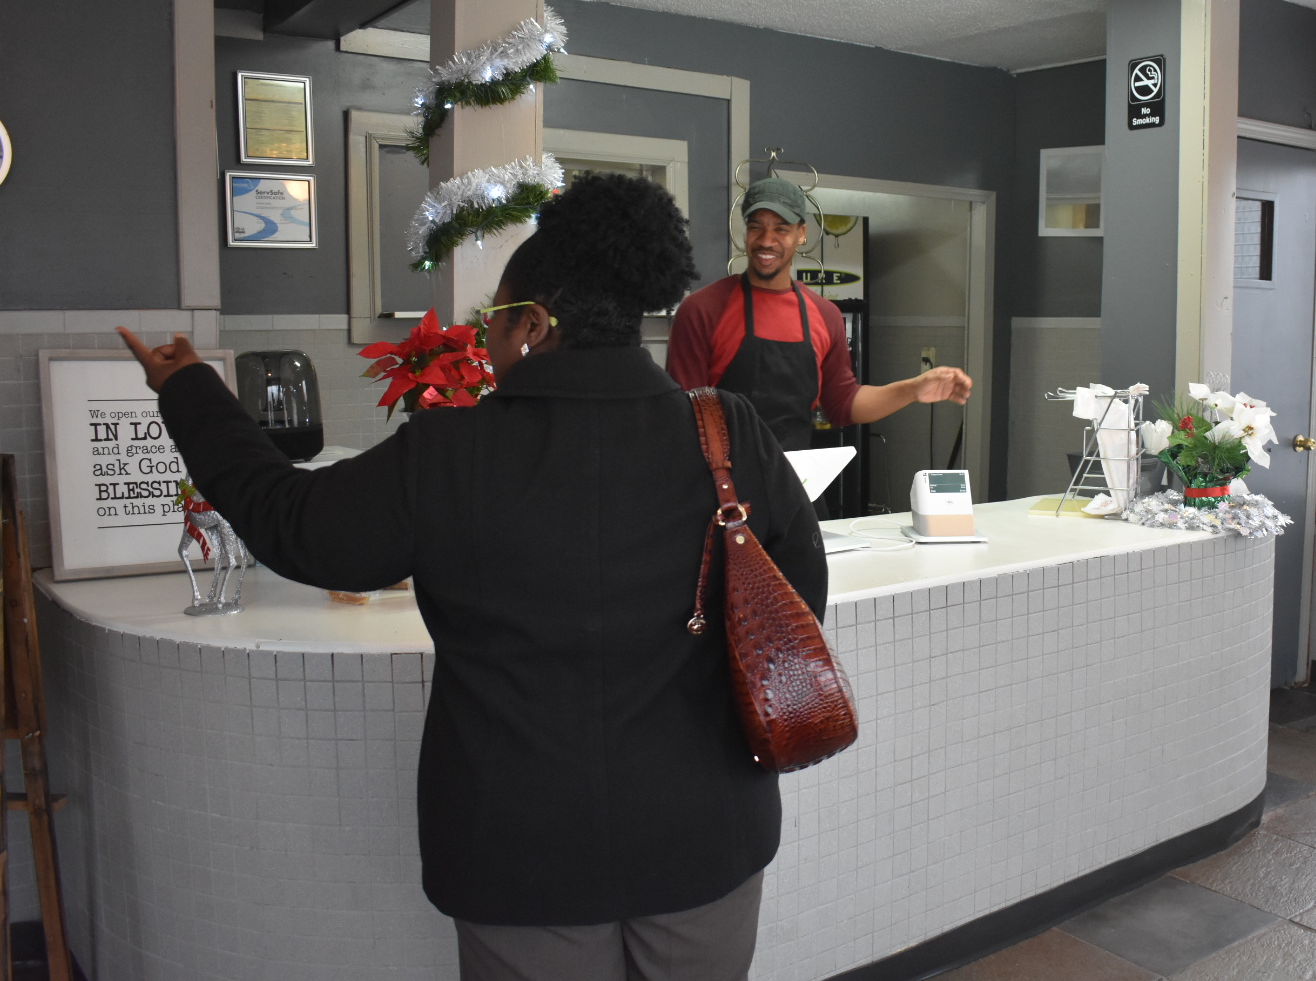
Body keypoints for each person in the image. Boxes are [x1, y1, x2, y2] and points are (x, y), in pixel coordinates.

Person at [117, 173, 825, 981]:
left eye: (492, 318)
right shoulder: (726, 433)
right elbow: (799, 600)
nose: (485, 338)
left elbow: (295, 526)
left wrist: (189, 393)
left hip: (519, 848)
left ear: (533, 325)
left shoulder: (448, 453)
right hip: (706, 831)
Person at [664, 177, 973, 455]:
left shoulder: (824, 315)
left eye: (781, 229)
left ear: (801, 234)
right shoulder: (703, 309)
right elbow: (680, 416)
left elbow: (843, 403)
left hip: (797, 485)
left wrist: (913, 389)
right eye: (756, 226)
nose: (766, 240)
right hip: (723, 489)